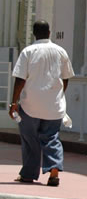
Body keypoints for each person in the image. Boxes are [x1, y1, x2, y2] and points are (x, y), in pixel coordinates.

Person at [9, 20, 74, 186]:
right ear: (49, 33)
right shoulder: (61, 51)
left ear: (34, 33)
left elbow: (20, 79)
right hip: (54, 106)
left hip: (30, 104)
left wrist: (14, 101)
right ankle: (53, 171)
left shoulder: (28, 51)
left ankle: (29, 174)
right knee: (52, 138)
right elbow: (66, 78)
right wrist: (58, 94)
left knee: (30, 139)